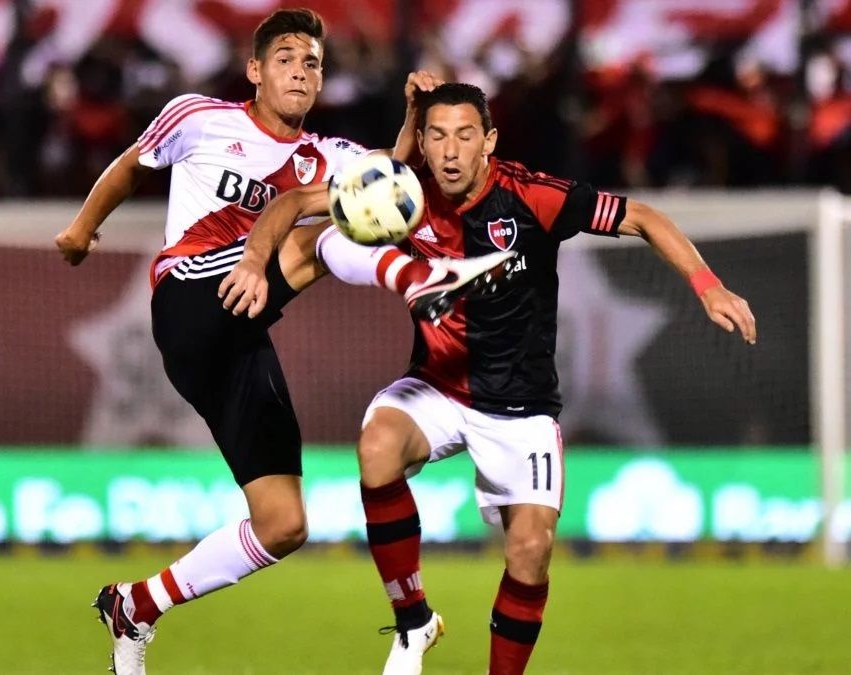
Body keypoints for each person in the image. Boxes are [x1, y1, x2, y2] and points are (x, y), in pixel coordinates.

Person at [237, 82, 757, 675]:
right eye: (437, 137)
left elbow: (641, 216)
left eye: (464, 135)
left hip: (521, 408)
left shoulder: (531, 196)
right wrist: (255, 260)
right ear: (424, 146)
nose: (451, 151)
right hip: (435, 386)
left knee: (530, 553)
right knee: (377, 444)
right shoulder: (402, 193)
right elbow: (291, 205)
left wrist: (707, 285)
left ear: (489, 141)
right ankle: (413, 624)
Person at [53, 10, 514, 674]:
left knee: (282, 523)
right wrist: (80, 228)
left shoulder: (327, 154)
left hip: (238, 338)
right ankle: (422, 280)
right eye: (288, 58)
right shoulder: (200, 117)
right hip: (190, 297)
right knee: (323, 221)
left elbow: (388, 174)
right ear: (255, 69)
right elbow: (131, 166)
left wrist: (414, 117)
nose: (302, 71)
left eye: (314, 63)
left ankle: (137, 605)